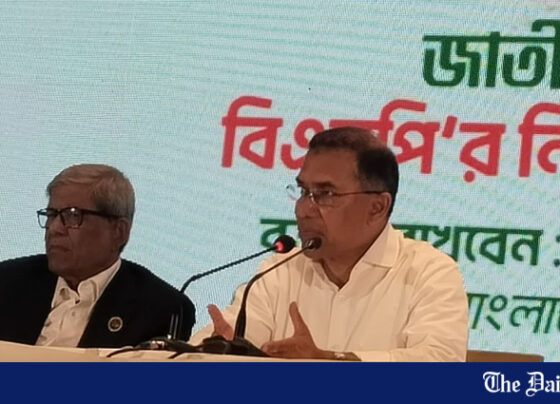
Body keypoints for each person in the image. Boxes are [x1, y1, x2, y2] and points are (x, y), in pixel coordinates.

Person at [190, 126, 468, 361]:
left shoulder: (429, 272)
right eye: (303, 191)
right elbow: (231, 337)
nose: (303, 209)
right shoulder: (280, 271)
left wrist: (328, 362)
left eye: (325, 194)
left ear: (377, 207)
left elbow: (438, 365)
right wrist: (220, 350)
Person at [0, 164, 195, 348]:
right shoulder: (7, 281)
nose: (54, 228)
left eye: (73, 215)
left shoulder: (161, 308)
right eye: (52, 214)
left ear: (119, 231)